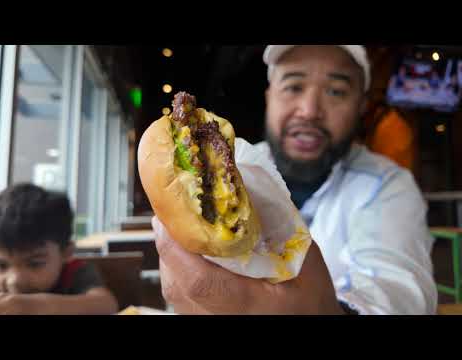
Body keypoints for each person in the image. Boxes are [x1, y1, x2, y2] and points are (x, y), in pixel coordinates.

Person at [152, 45, 437, 315]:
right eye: (293, 86)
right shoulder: (236, 163)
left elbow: (400, 289)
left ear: (361, 106)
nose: (310, 110)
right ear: (269, 97)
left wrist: (335, 311)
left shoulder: (388, 185)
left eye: (336, 91)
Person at [0, 183, 118, 315]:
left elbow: (106, 304)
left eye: (34, 264)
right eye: (1, 265)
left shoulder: (75, 274)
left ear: (66, 253)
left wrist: (34, 306)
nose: (15, 280)